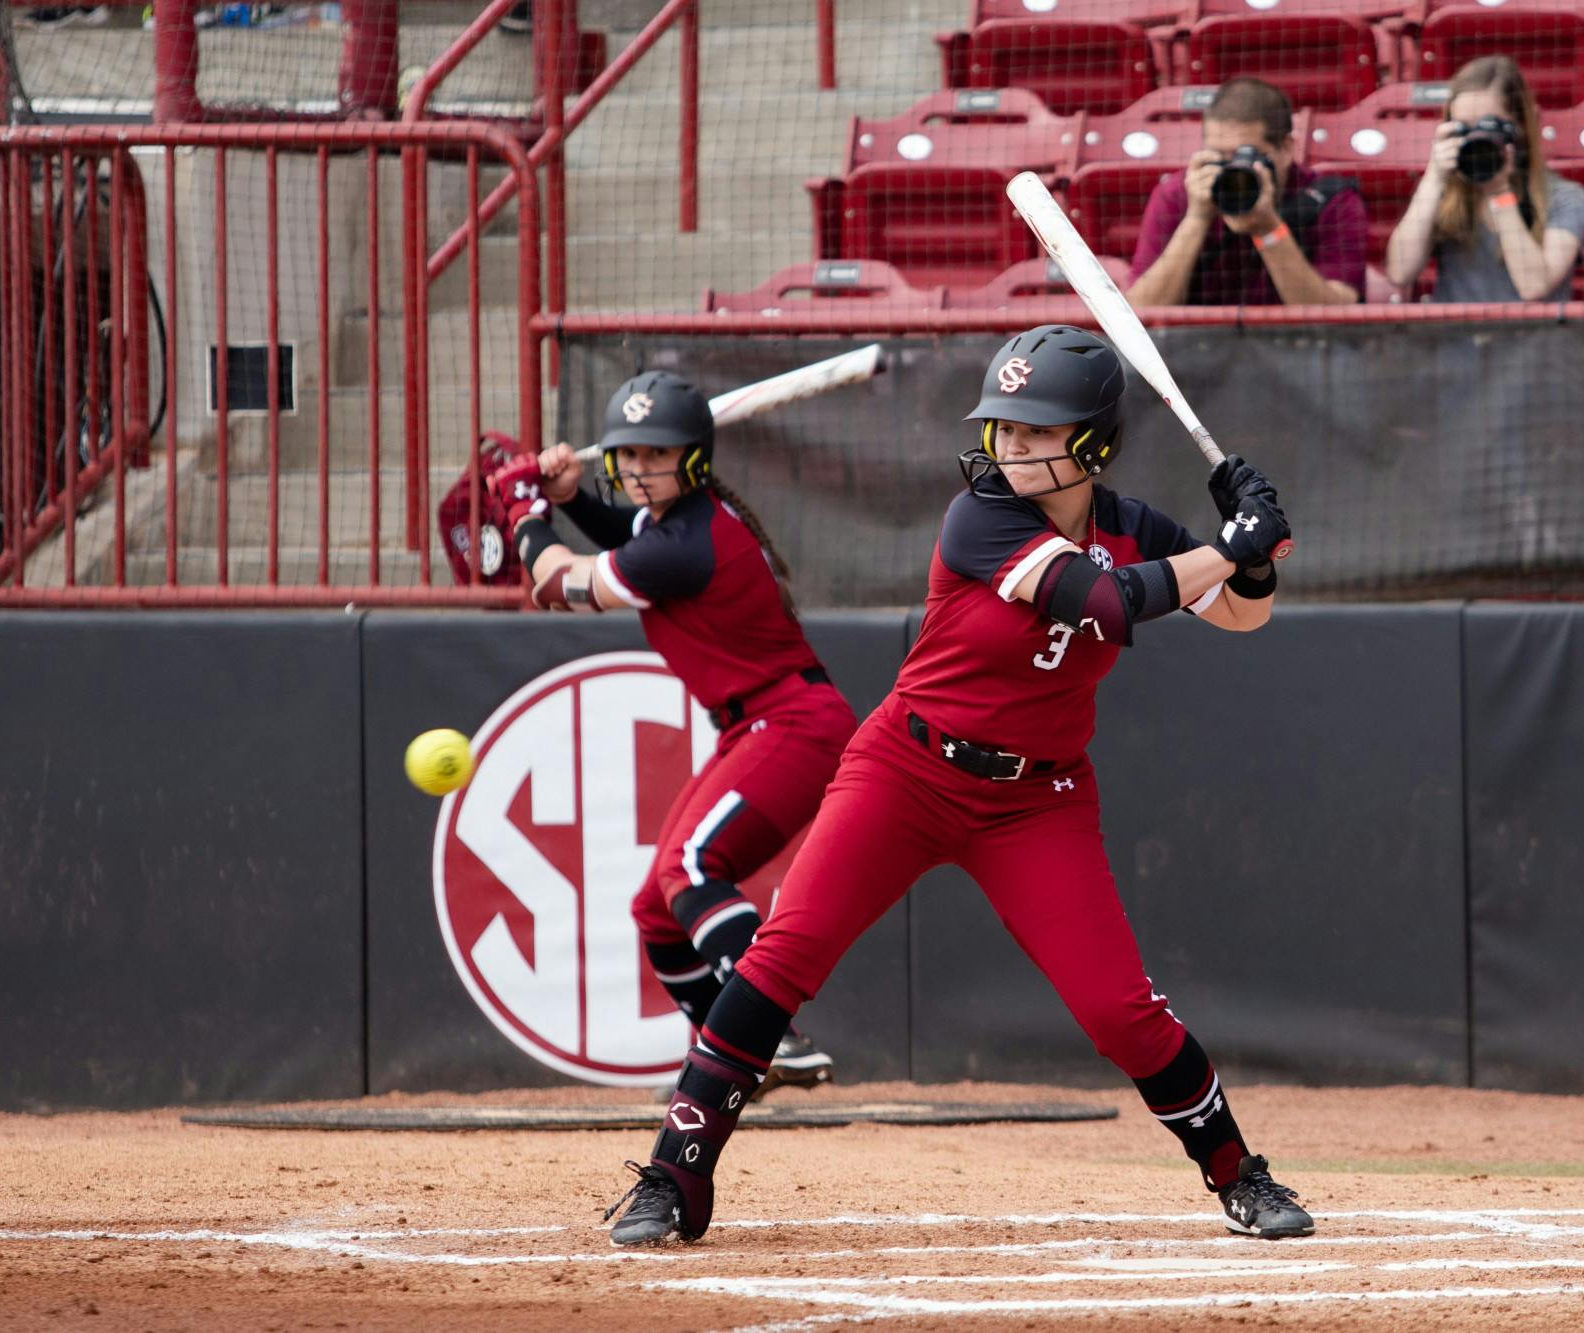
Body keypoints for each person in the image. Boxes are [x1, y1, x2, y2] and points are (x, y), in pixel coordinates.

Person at [599, 326, 1315, 1248]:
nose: (1007, 447)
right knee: (783, 956)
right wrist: (1231, 542)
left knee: (1118, 1009)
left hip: (1036, 799)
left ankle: (1240, 1176)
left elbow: (1240, 615)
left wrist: (1251, 556)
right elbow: (1104, 602)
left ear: (1092, 443)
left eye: (1033, 432)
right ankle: (672, 1174)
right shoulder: (979, 518)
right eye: (1002, 429)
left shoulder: (1135, 526)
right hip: (904, 768)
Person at [488, 370, 859, 1094]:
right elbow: (622, 532)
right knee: (658, 910)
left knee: (691, 866)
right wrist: (566, 499)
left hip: (792, 722)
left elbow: (560, 585)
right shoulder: (680, 523)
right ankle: (727, 1064)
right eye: (627, 455)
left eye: (656, 455)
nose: (637, 469)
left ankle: (770, 1027)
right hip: (757, 723)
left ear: (692, 457)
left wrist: (527, 514)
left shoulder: (685, 541)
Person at [1126, 77, 1366, 308]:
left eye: (1245, 155)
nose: (1232, 168)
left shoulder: (1332, 200)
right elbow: (1140, 313)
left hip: (1301, 347)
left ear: (1285, 149)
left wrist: (1268, 229)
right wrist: (1197, 219)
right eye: (1219, 155)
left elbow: (1337, 317)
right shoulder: (1178, 194)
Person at [1384, 56, 1584, 304]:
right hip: (1455, 339)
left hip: (1532, 340)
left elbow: (1533, 286)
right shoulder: (1441, 193)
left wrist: (1500, 194)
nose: (1476, 139)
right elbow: (1399, 272)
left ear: (1521, 125)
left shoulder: (1565, 197)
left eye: (1487, 126)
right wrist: (1433, 177)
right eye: (1463, 128)